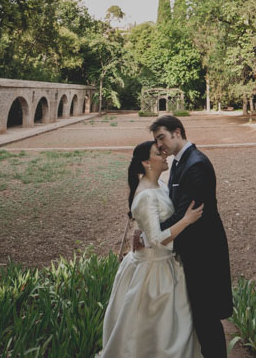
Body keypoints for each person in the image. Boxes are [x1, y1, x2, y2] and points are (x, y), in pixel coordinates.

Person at [98, 140, 204, 358]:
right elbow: (157, 239)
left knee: (170, 329)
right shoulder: (146, 195)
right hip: (153, 270)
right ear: (146, 162)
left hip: (164, 263)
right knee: (150, 332)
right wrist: (187, 220)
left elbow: (152, 228)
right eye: (159, 152)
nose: (164, 154)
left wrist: (142, 232)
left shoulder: (159, 184)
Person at [150, 115, 233, 358]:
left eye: (162, 137)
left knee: (206, 319)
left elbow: (186, 213)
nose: (159, 145)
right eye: (156, 140)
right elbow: (175, 208)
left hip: (203, 252)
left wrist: (152, 233)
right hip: (190, 249)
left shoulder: (196, 164)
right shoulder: (178, 162)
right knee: (198, 316)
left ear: (177, 132)